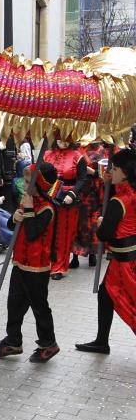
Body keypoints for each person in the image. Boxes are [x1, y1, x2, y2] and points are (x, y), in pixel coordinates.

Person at [0, 163, 60, 363]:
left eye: (29, 181)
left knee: (39, 306)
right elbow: (14, 225)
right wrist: (15, 216)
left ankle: (48, 343)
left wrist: (27, 210)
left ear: (40, 184)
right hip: (19, 261)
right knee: (14, 303)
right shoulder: (27, 200)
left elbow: (32, 232)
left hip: (37, 266)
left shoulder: (48, 208)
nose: (25, 184)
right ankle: (13, 340)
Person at [75, 148, 136, 355]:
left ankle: (102, 341)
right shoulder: (130, 192)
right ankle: (102, 341)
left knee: (132, 306)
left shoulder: (119, 201)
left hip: (125, 263)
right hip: (124, 259)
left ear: (125, 172)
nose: (112, 171)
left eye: (115, 168)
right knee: (105, 295)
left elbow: (104, 234)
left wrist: (101, 222)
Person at [44, 139, 87, 279]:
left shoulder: (77, 156)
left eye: (67, 138)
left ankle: (59, 267)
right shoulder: (47, 154)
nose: (64, 141)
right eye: (60, 137)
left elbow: (82, 179)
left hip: (68, 199)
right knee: (48, 232)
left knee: (64, 234)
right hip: (48, 197)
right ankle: (46, 264)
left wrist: (72, 193)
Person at [71, 141, 109, 269]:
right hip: (80, 190)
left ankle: (92, 254)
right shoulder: (79, 149)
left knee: (92, 223)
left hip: (95, 191)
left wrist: (92, 171)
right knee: (78, 223)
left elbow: (104, 173)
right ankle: (75, 256)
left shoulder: (101, 151)